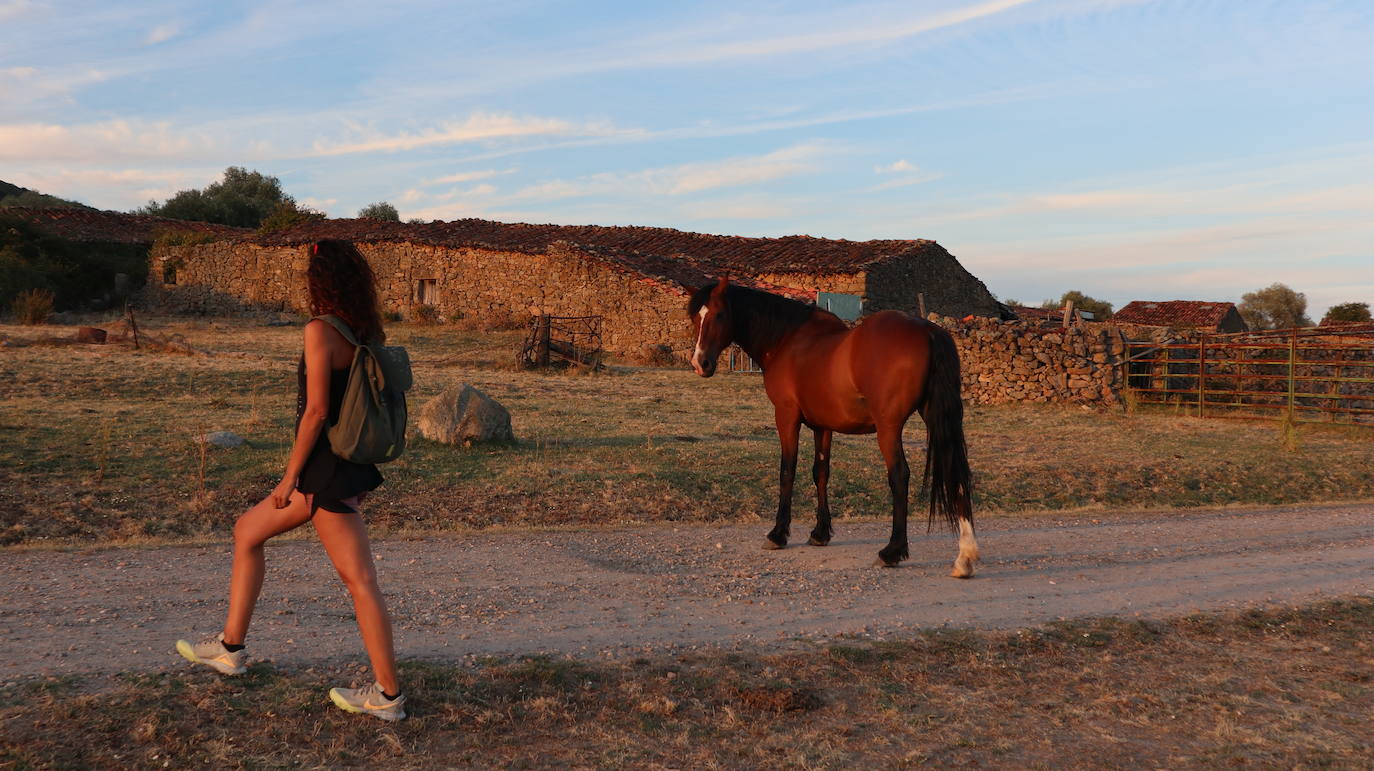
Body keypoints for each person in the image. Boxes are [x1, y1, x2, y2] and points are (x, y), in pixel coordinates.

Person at [176, 239, 405, 722]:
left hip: (324, 471)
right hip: (342, 465)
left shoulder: (321, 329)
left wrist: (290, 476)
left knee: (360, 581)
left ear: (318, 280)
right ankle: (230, 647)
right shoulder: (363, 328)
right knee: (247, 531)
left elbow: (317, 411)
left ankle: (388, 697)